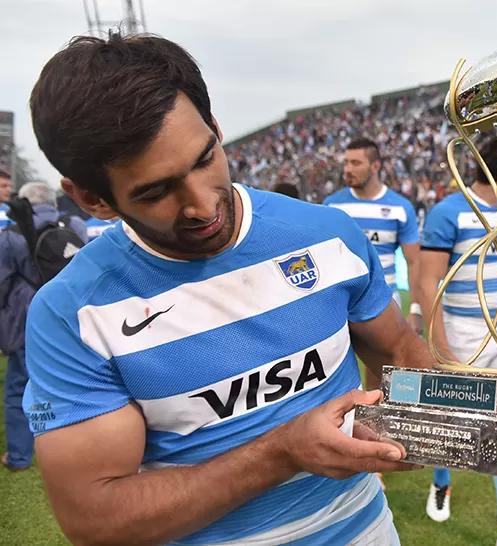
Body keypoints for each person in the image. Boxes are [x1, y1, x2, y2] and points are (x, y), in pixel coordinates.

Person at [23, 32, 431, 545]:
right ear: (92, 199)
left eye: (204, 158)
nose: (202, 205)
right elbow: (95, 518)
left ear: (215, 128)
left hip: (364, 529)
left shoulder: (327, 233)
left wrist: (472, 415)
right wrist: (281, 453)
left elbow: (396, 348)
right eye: (156, 190)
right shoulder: (72, 314)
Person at [418, 136, 497, 546]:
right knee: (450, 424)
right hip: (462, 331)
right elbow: (426, 282)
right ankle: (441, 480)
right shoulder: (448, 212)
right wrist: (440, 345)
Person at [0, 182, 88, 472]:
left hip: (27, 317)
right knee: (75, 381)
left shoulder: (9, 236)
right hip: (71, 315)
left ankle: (19, 456)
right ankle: (80, 450)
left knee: (20, 388)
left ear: (23, 203)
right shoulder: (75, 223)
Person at [325, 138, 424, 392]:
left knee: (384, 382)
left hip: (384, 305)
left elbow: (414, 262)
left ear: (375, 166)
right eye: (346, 162)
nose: (348, 169)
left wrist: (415, 309)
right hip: (339, 306)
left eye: (356, 163)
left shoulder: (400, 208)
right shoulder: (332, 206)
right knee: (335, 380)